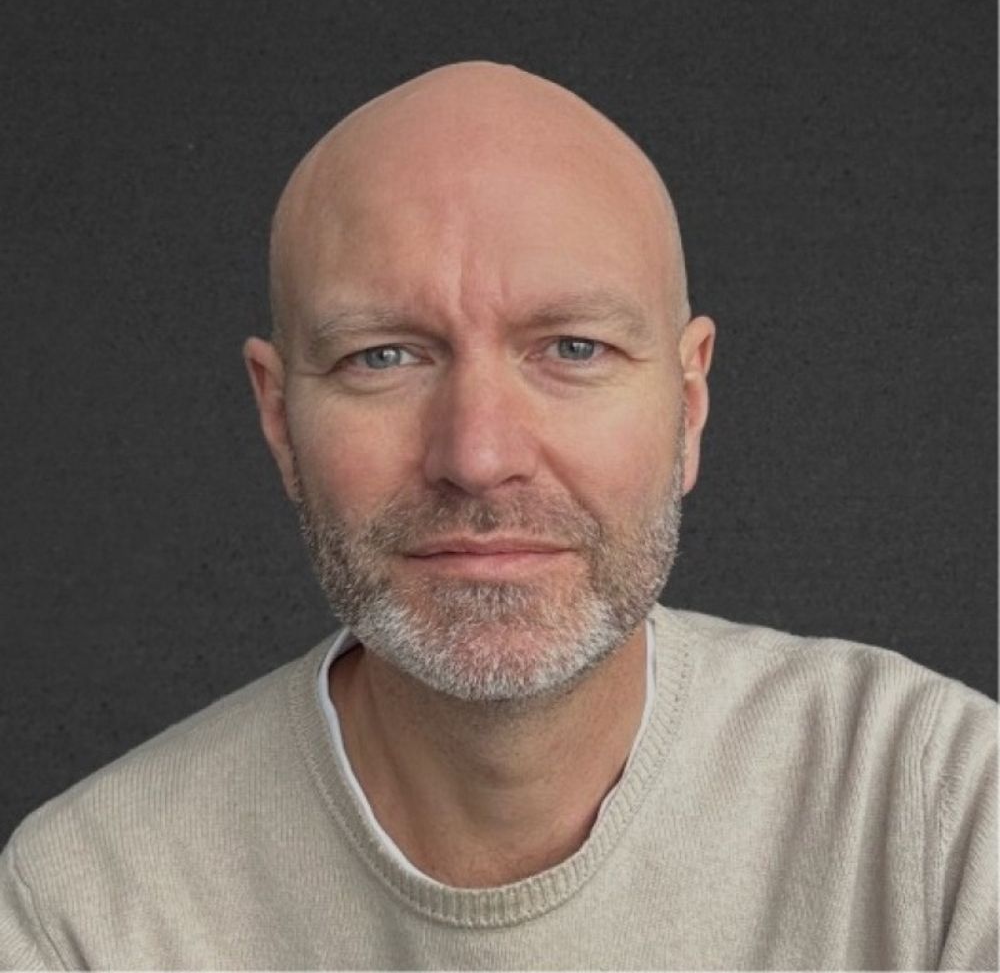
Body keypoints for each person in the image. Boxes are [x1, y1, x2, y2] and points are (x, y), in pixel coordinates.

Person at [0, 61, 995, 971]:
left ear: (687, 404)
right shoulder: (85, 913)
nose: (478, 458)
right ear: (278, 420)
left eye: (572, 348)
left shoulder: (940, 812)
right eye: (384, 356)